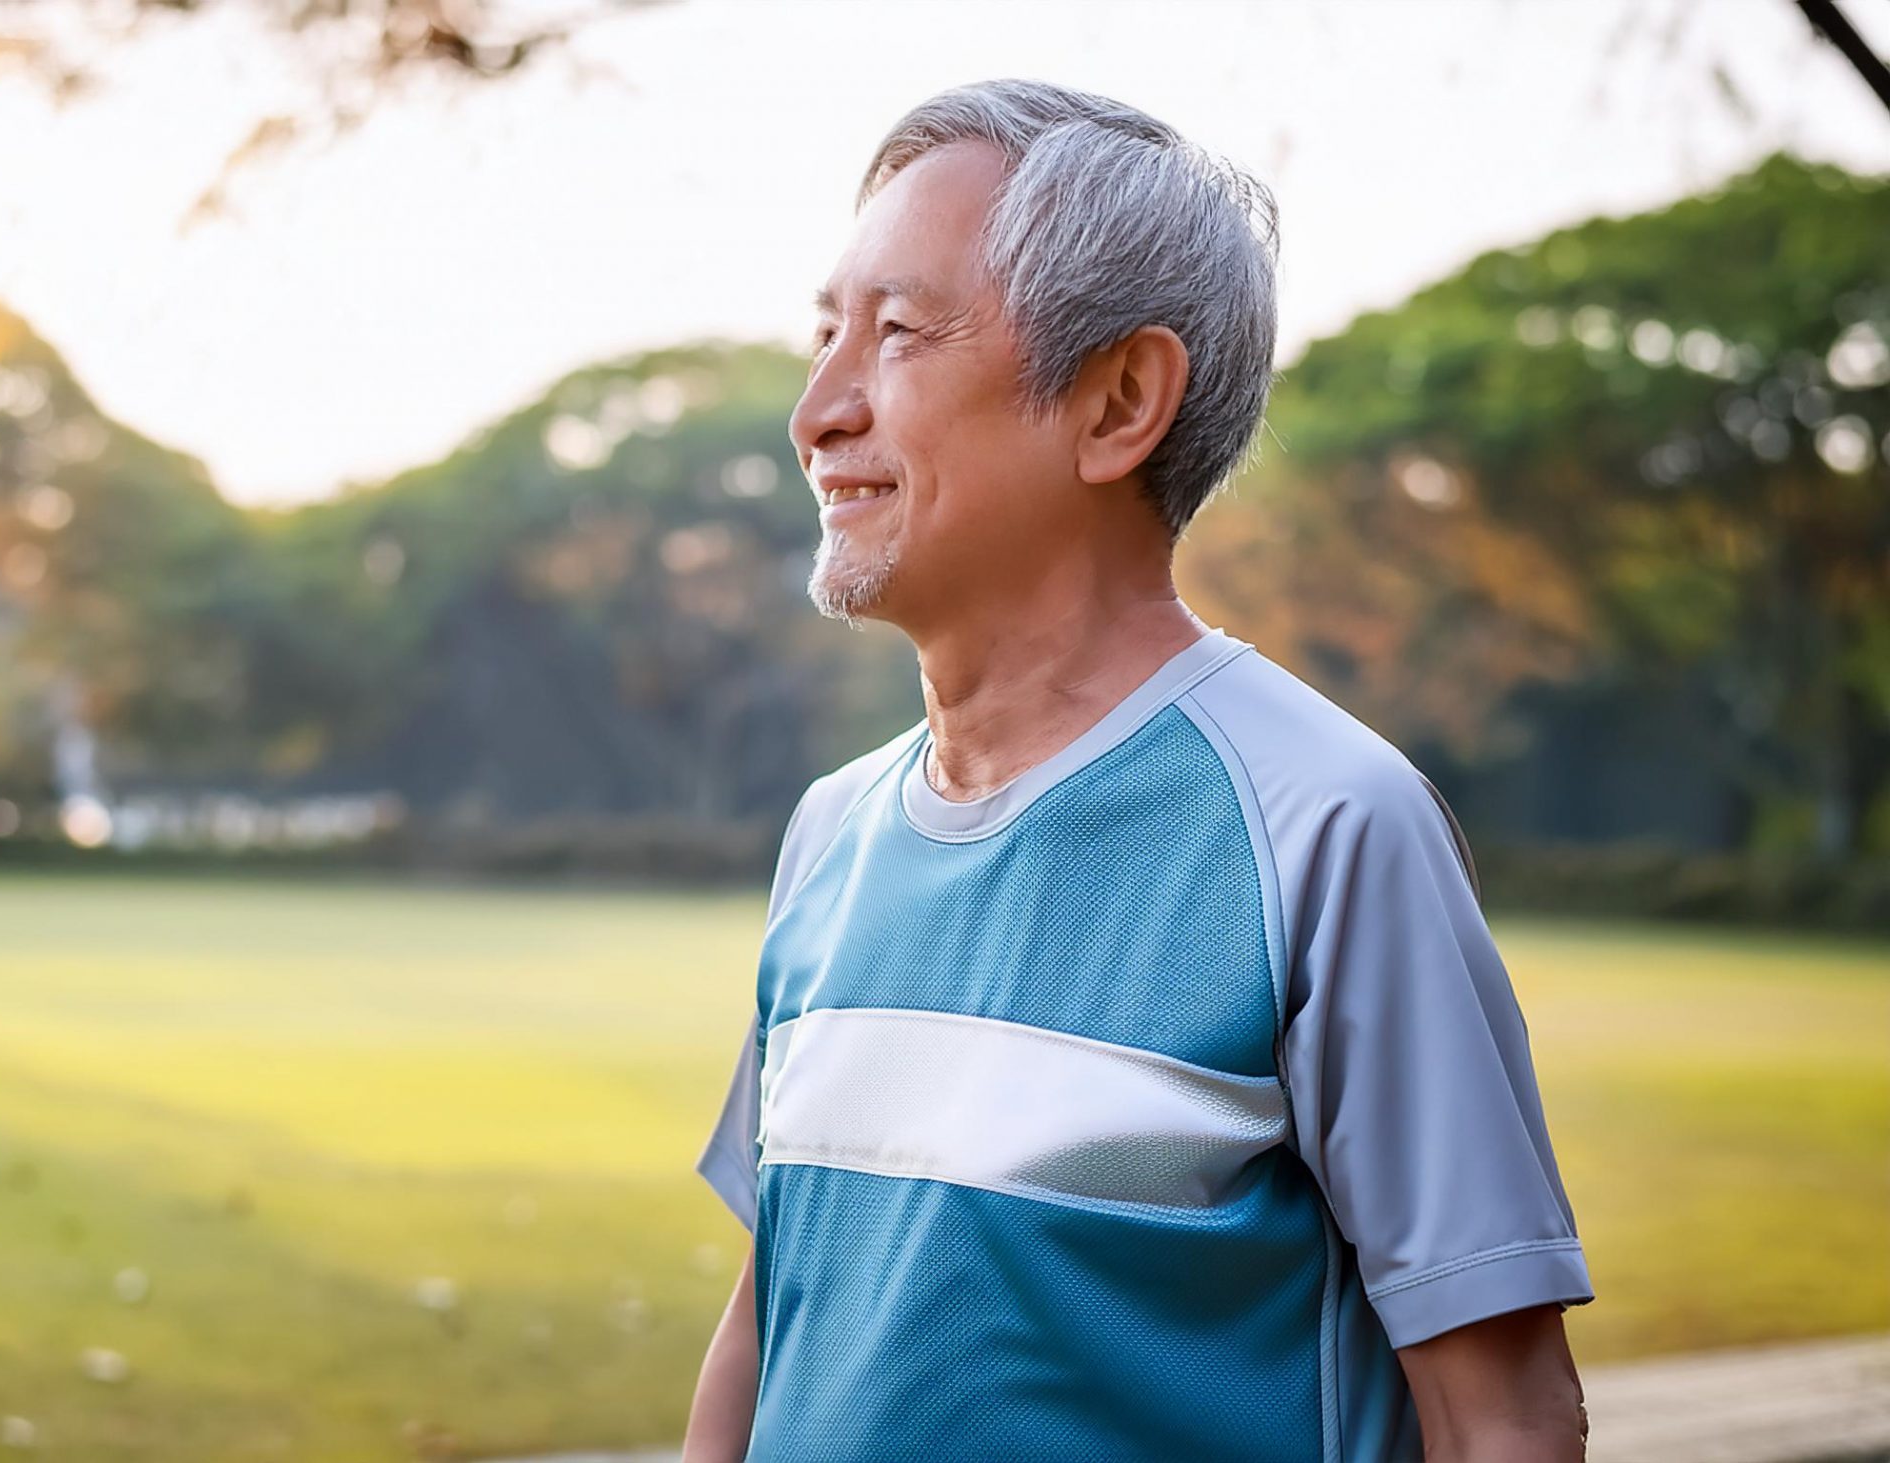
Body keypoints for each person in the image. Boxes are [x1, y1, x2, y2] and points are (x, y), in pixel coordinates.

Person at [682, 79, 1592, 1462]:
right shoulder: (830, 834)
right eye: (826, 335)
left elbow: (1501, 1417)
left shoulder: (1327, 827)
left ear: (1117, 401)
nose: (816, 412)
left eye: (900, 334)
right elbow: (774, 1317)